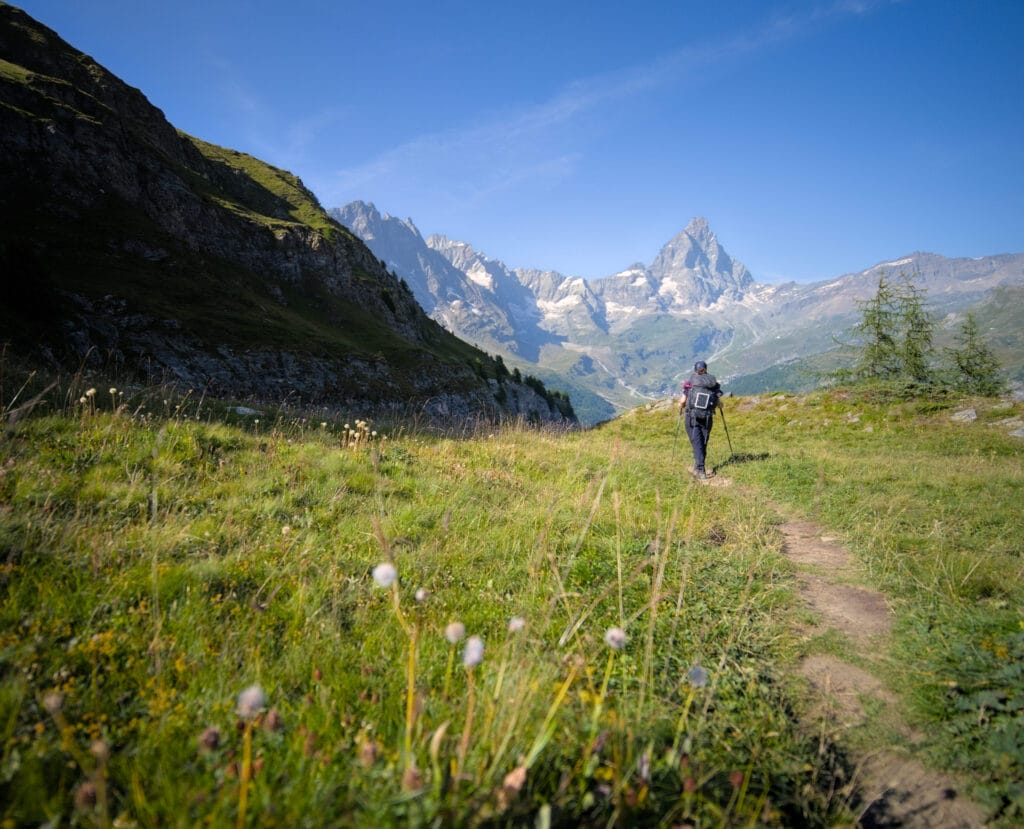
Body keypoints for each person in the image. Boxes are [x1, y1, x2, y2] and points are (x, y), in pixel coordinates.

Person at [679, 360, 722, 479]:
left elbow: (683, 401)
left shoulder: (690, 382)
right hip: (708, 417)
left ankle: (700, 469)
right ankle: (698, 465)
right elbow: (719, 402)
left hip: (693, 416)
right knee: (703, 442)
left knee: (696, 442)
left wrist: (681, 406)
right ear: (706, 369)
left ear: (695, 370)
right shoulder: (713, 383)